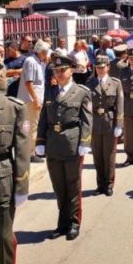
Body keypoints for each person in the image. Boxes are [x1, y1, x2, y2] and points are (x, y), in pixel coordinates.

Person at [34, 53, 92, 241]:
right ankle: (63, 223)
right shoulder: (50, 92)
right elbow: (43, 118)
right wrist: (40, 141)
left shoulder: (82, 92)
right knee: (59, 187)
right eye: (56, 70)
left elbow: (86, 120)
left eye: (62, 70)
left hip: (72, 144)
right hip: (53, 144)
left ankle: (74, 223)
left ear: (71, 70)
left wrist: (84, 142)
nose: (58, 73)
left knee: (73, 186)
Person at [0, 60, 31, 264]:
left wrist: (21, 185)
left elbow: (22, 150)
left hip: (0, 177)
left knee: (3, 236)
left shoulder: (13, 107)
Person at [86, 55, 123, 196]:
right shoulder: (90, 82)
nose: (100, 70)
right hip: (94, 123)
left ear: (108, 67)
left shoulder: (115, 83)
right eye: (97, 68)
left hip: (109, 122)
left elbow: (120, 105)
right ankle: (100, 184)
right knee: (97, 155)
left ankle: (109, 184)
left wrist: (119, 124)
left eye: (102, 67)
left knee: (109, 156)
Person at [18, 40, 50, 163]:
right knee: (31, 127)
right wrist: (36, 100)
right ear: (42, 52)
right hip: (31, 101)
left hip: (35, 100)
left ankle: (29, 152)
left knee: (32, 126)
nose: (47, 55)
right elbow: (28, 83)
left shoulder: (38, 61)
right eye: (46, 53)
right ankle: (30, 154)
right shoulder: (31, 61)